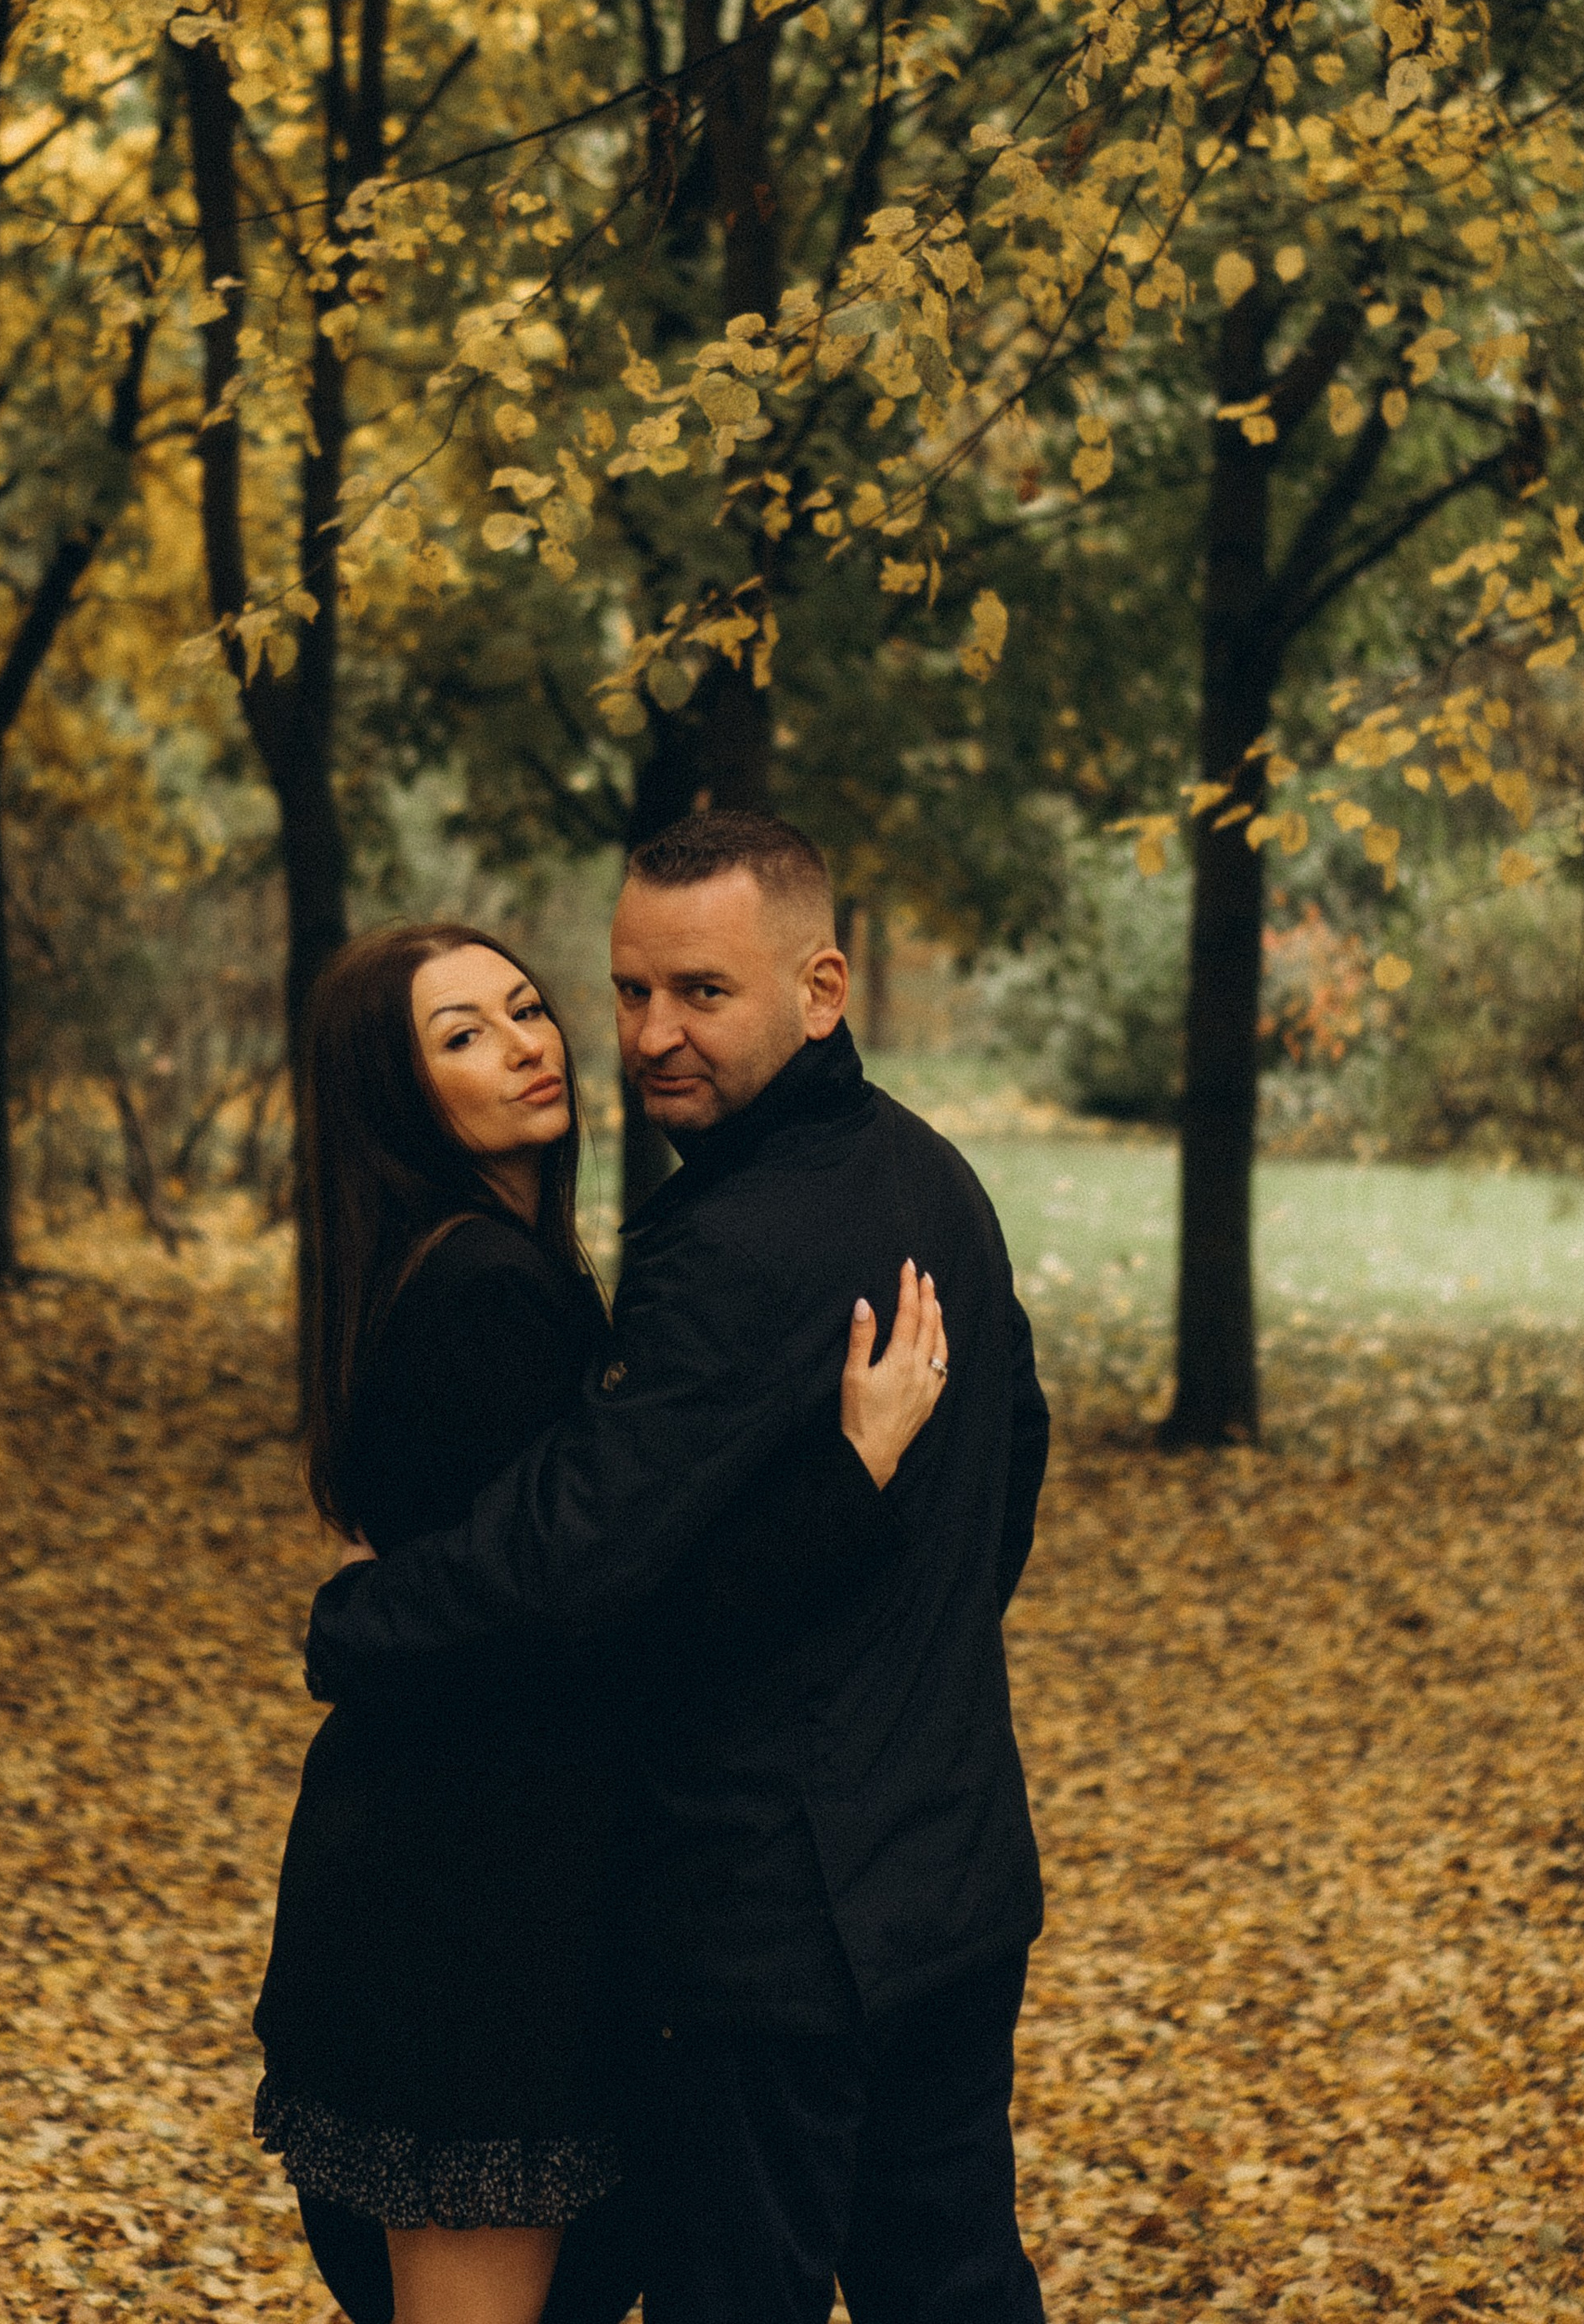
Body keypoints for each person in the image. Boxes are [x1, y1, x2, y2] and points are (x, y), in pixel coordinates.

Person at [307, 813, 1052, 2324]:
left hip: (773, 1924)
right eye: (630, 991)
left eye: (702, 993)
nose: (649, 1036)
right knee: (957, 2285)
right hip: (956, 1883)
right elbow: (1008, 1484)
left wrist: (363, 1620)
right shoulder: (931, 1176)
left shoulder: (732, 1243)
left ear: (821, 990)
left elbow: (573, 1562)